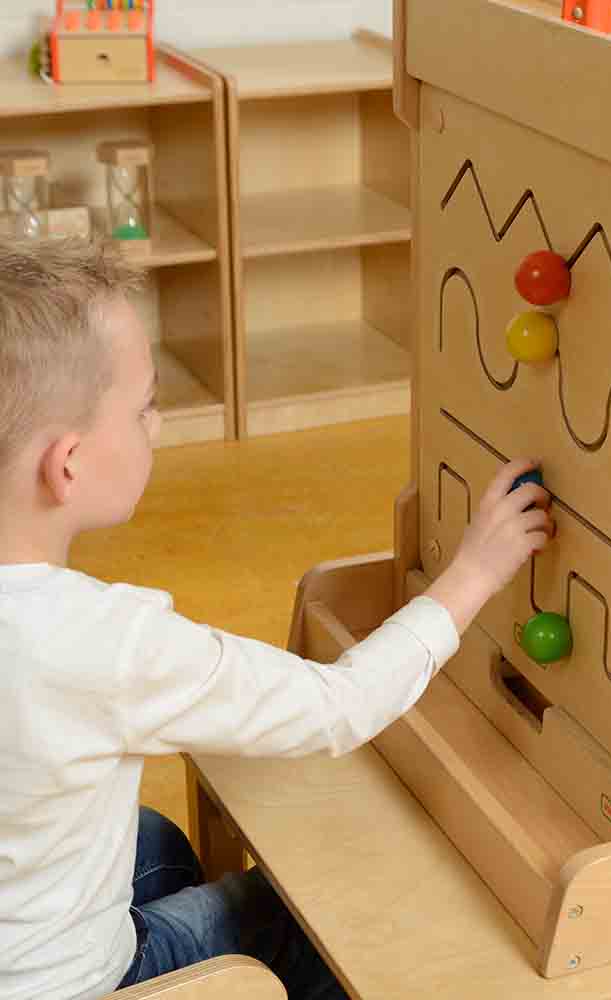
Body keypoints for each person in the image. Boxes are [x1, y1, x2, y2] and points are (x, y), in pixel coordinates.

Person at [0, 238, 554, 1000]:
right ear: (67, 465)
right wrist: (476, 571)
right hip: (76, 985)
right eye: (145, 409)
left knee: (153, 841)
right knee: (314, 919)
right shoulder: (102, 644)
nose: (155, 427)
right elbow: (338, 707)